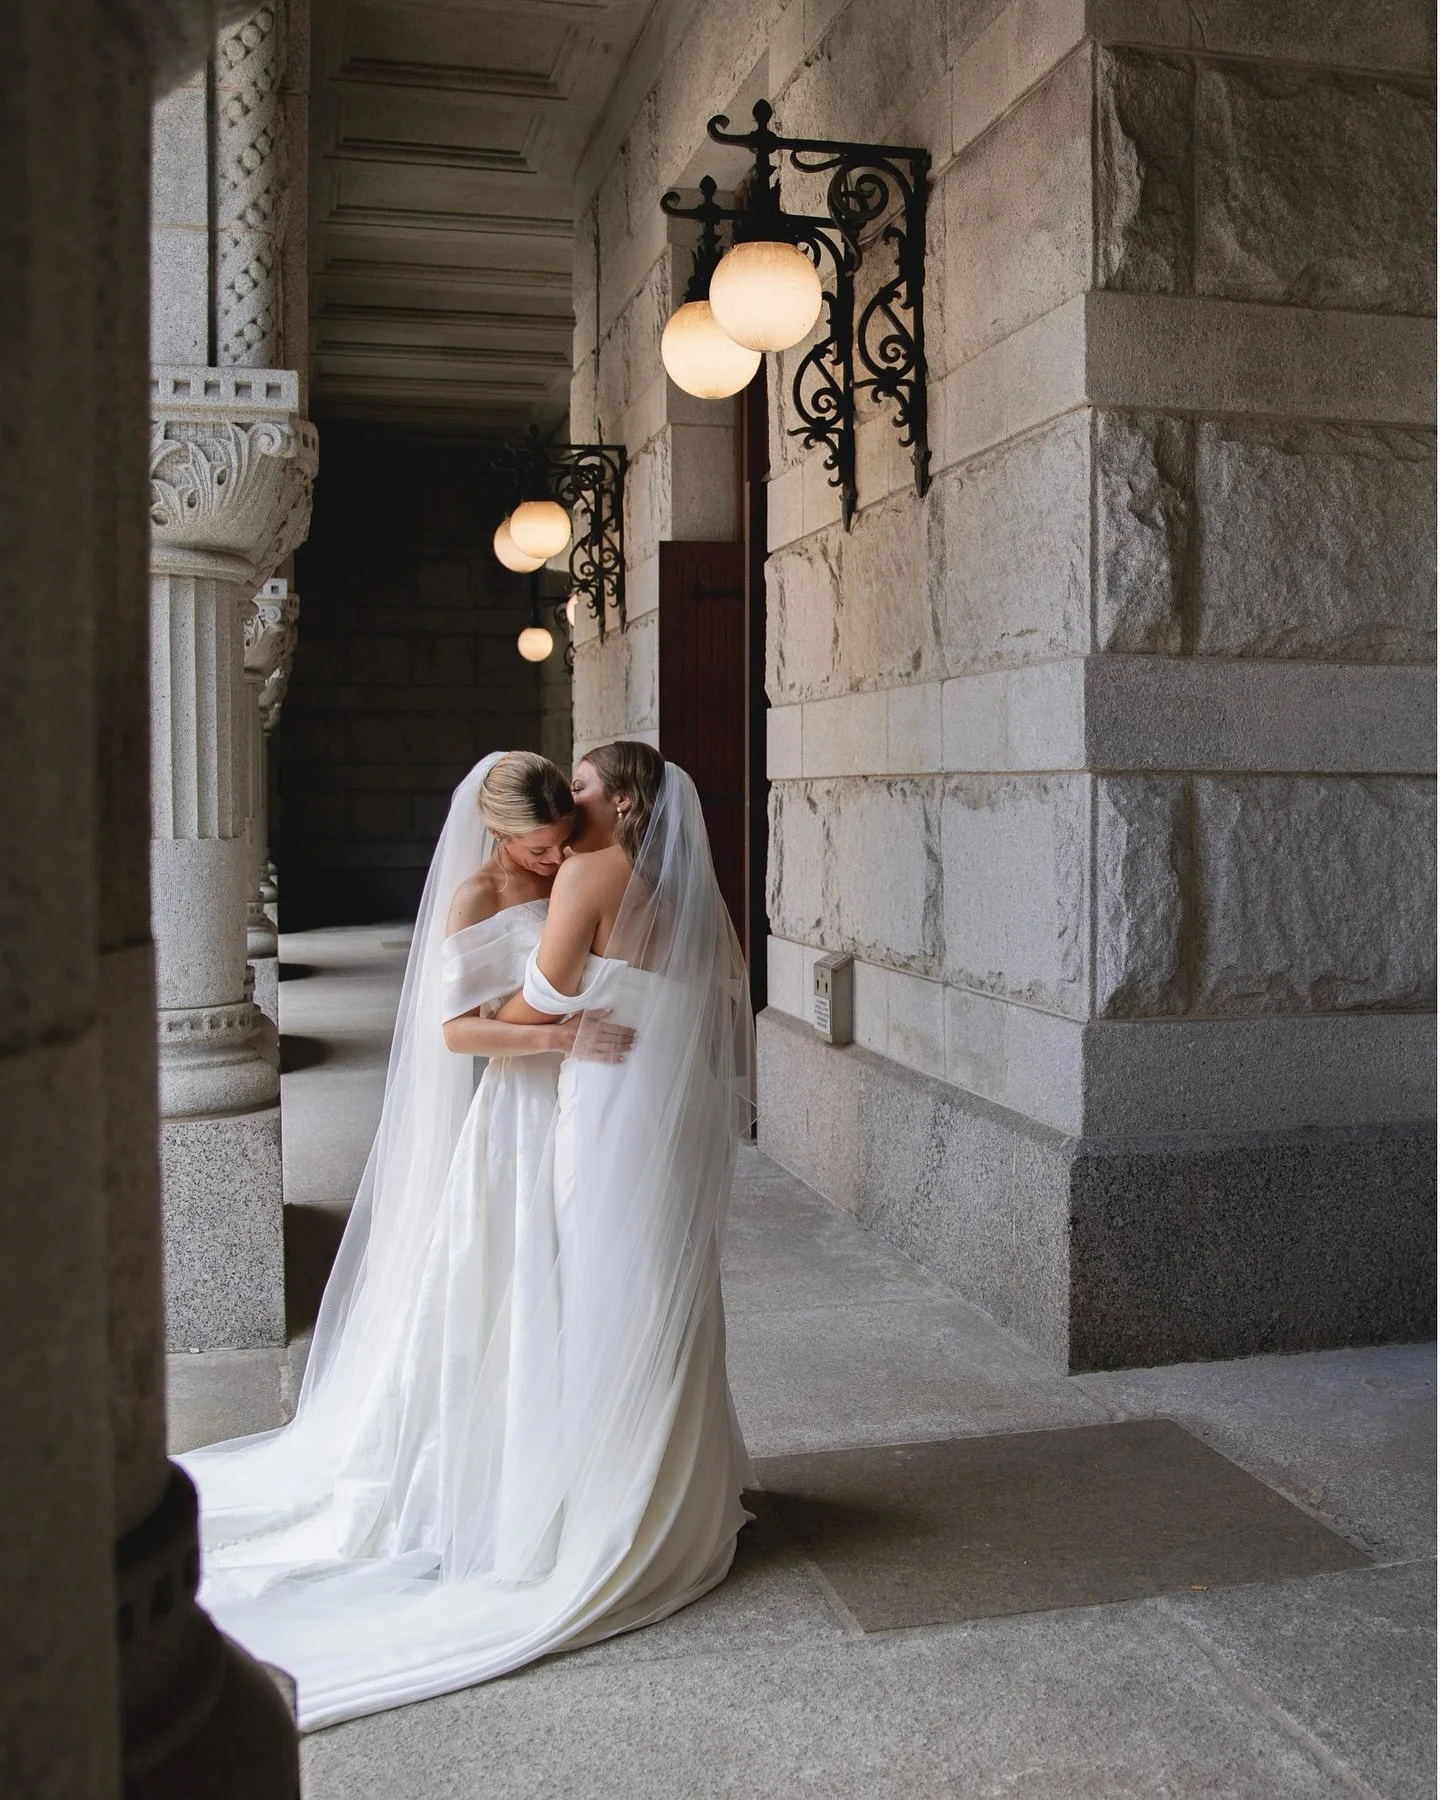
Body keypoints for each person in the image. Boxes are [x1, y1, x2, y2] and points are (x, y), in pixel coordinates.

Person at [180, 743, 754, 1731]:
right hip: (583, 1097)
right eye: (544, 821)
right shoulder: (589, 884)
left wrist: (548, 1020)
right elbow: (466, 1026)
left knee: (592, 1285)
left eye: (577, 795)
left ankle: (605, 1485)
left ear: (616, 800)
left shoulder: (588, 872)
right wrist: (552, 1033)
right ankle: (628, 1477)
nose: (561, 826)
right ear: (501, 833)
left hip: (591, 1096)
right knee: (581, 1285)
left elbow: (549, 989)